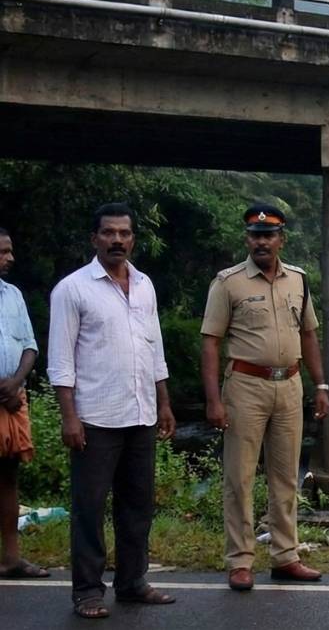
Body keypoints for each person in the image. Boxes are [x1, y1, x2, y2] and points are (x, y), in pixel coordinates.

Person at [47, 203, 177, 619]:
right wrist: (69, 416)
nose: (117, 239)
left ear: (133, 238)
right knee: (89, 507)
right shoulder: (73, 289)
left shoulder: (144, 285)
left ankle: (132, 582)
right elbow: (61, 361)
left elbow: (154, 348)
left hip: (141, 415)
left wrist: (165, 401)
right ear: (95, 238)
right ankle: (87, 591)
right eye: (108, 233)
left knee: (137, 505)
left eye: (124, 233)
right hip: (95, 419)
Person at [201, 202, 329, 592]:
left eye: (269, 234)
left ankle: (285, 555)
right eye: (256, 235)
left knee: (286, 475)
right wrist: (213, 400)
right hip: (245, 386)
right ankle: (240, 561)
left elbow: (308, 335)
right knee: (239, 478)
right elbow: (211, 343)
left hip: (289, 386)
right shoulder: (228, 283)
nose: (262, 241)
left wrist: (320, 386)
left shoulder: (299, 280)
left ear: (281, 239)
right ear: (248, 239)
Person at [0, 228, 49, 580]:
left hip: (11, 399)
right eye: (3, 252)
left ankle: (12, 558)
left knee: (8, 478)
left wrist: (16, 383)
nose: (10, 258)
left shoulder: (13, 294)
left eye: (10, 251)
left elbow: (30, 345)